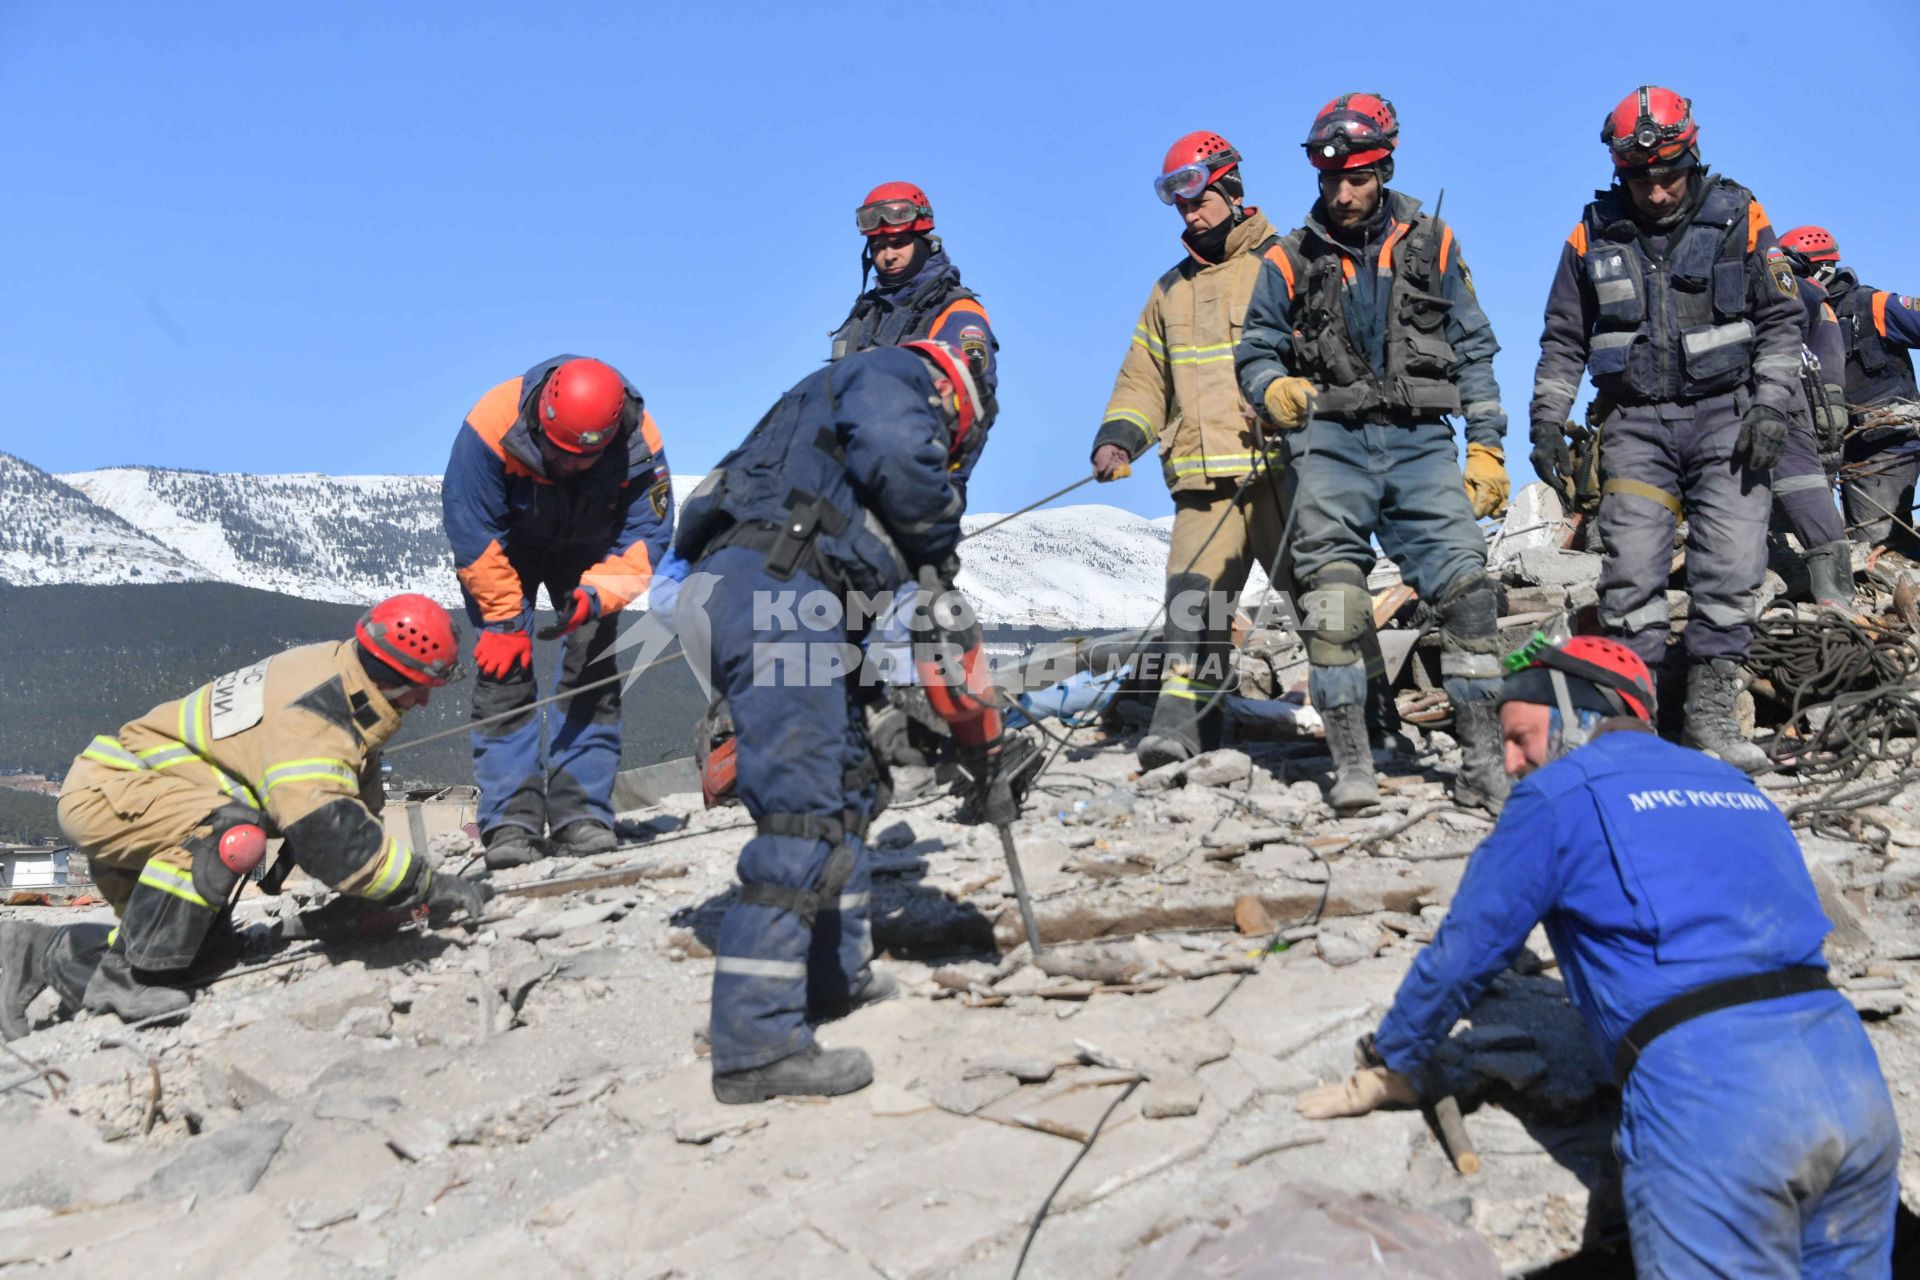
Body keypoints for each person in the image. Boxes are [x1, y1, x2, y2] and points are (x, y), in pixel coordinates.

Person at [1295, 635, 1901, 1277]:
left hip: (1718, 1107)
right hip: (1851, 1084)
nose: (1511, 760)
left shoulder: (1559, 792)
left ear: (1576, 713)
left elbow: (1467, 949)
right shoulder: (1733, 784)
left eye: (1521, 736)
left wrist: (1393, 1055)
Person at [675, 340, 989, 1104]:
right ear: (952, 398)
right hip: (778, 597)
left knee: (849, 786)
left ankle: (832, 975)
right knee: (802, 817)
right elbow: (895, 445)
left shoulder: (815, 424)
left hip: (776, 600)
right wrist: (938, 539)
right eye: (949, 442)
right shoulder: (892, 372)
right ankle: (756, 1043)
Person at [1, 595, 487, 1038]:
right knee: (236, 837)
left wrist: (371, 901)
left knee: (201, 961)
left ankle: (43, 951)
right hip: (112, 794)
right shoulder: (316, 713)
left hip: (154, 805)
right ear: (389, 672)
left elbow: (358, 816)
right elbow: (331, 839)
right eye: (421, 687)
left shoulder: (347, 682)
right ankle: (128, 976)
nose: (424, 700)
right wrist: (425, 884)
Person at [1236, 93, 1512, 814]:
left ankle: (1484, 762)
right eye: (1331, 180)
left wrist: (1486, 448)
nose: (1343, 192)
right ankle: (1353, 765)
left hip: (1421, 444)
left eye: (1357, 178)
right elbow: (1256, 351)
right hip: (1329, 444)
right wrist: (1273, 389)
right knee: (1332, 604)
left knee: (1469, 598)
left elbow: (1475, 350)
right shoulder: (1288, 258)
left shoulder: (1434, 244)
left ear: (1383, 169)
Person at [1529, 87, 1803, 773]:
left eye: (1669, 175)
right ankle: (1634, 724)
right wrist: (1546, 422)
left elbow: (1781, 321)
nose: (1655, 191)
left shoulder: (1740, 215)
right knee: (1630, 573)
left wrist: (1772, 404)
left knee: (1734, 564)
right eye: (1640, 178)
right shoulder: (1592, 230)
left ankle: (1710, 720)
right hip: (1635, 426)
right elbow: (1564, 337)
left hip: (1728, 417)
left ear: (1693, 155)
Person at [1091, 130, 1294, 771]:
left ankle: (1371, 720)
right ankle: (1181, 729)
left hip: (1282, 469)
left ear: (1231, 185)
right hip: (1203, 480)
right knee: (1192, 604)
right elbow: (1143, 380)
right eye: (1178, 204)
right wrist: (1119, 439)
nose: (1189, 212)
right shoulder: (1169, 292)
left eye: (1198, 197)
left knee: (1327, 596)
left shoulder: (1287, 262)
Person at [442, 355, 673, 869]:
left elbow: (648, 535)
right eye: (557, 452)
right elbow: (472, 530)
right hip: (507, 551)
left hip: (593, 552)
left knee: (592, 668)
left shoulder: (641, 441)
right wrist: (503, 622)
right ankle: (511, 824)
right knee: (505, 673)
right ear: (541, 418)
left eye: (579, 459)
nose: (565, 464)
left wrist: (599, 595)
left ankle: (582, 816)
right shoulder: (490, 422)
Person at [830, 182, 998, 492]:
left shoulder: (956, 312)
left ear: (922, 241)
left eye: (898, 243)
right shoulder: (863, 317)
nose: (888, 255)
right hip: (846, 490)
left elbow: (973, 405)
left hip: (916, 488)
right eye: (878, 246)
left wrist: (940, 489)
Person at [1779, 225, 1920, 565]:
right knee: (1801, 537)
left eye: (1793, 272)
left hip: (1883, 445)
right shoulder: (1789, 319)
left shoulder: (1874, 305)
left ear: (1821, 269)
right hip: (1822, 446)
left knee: (1877, 549)